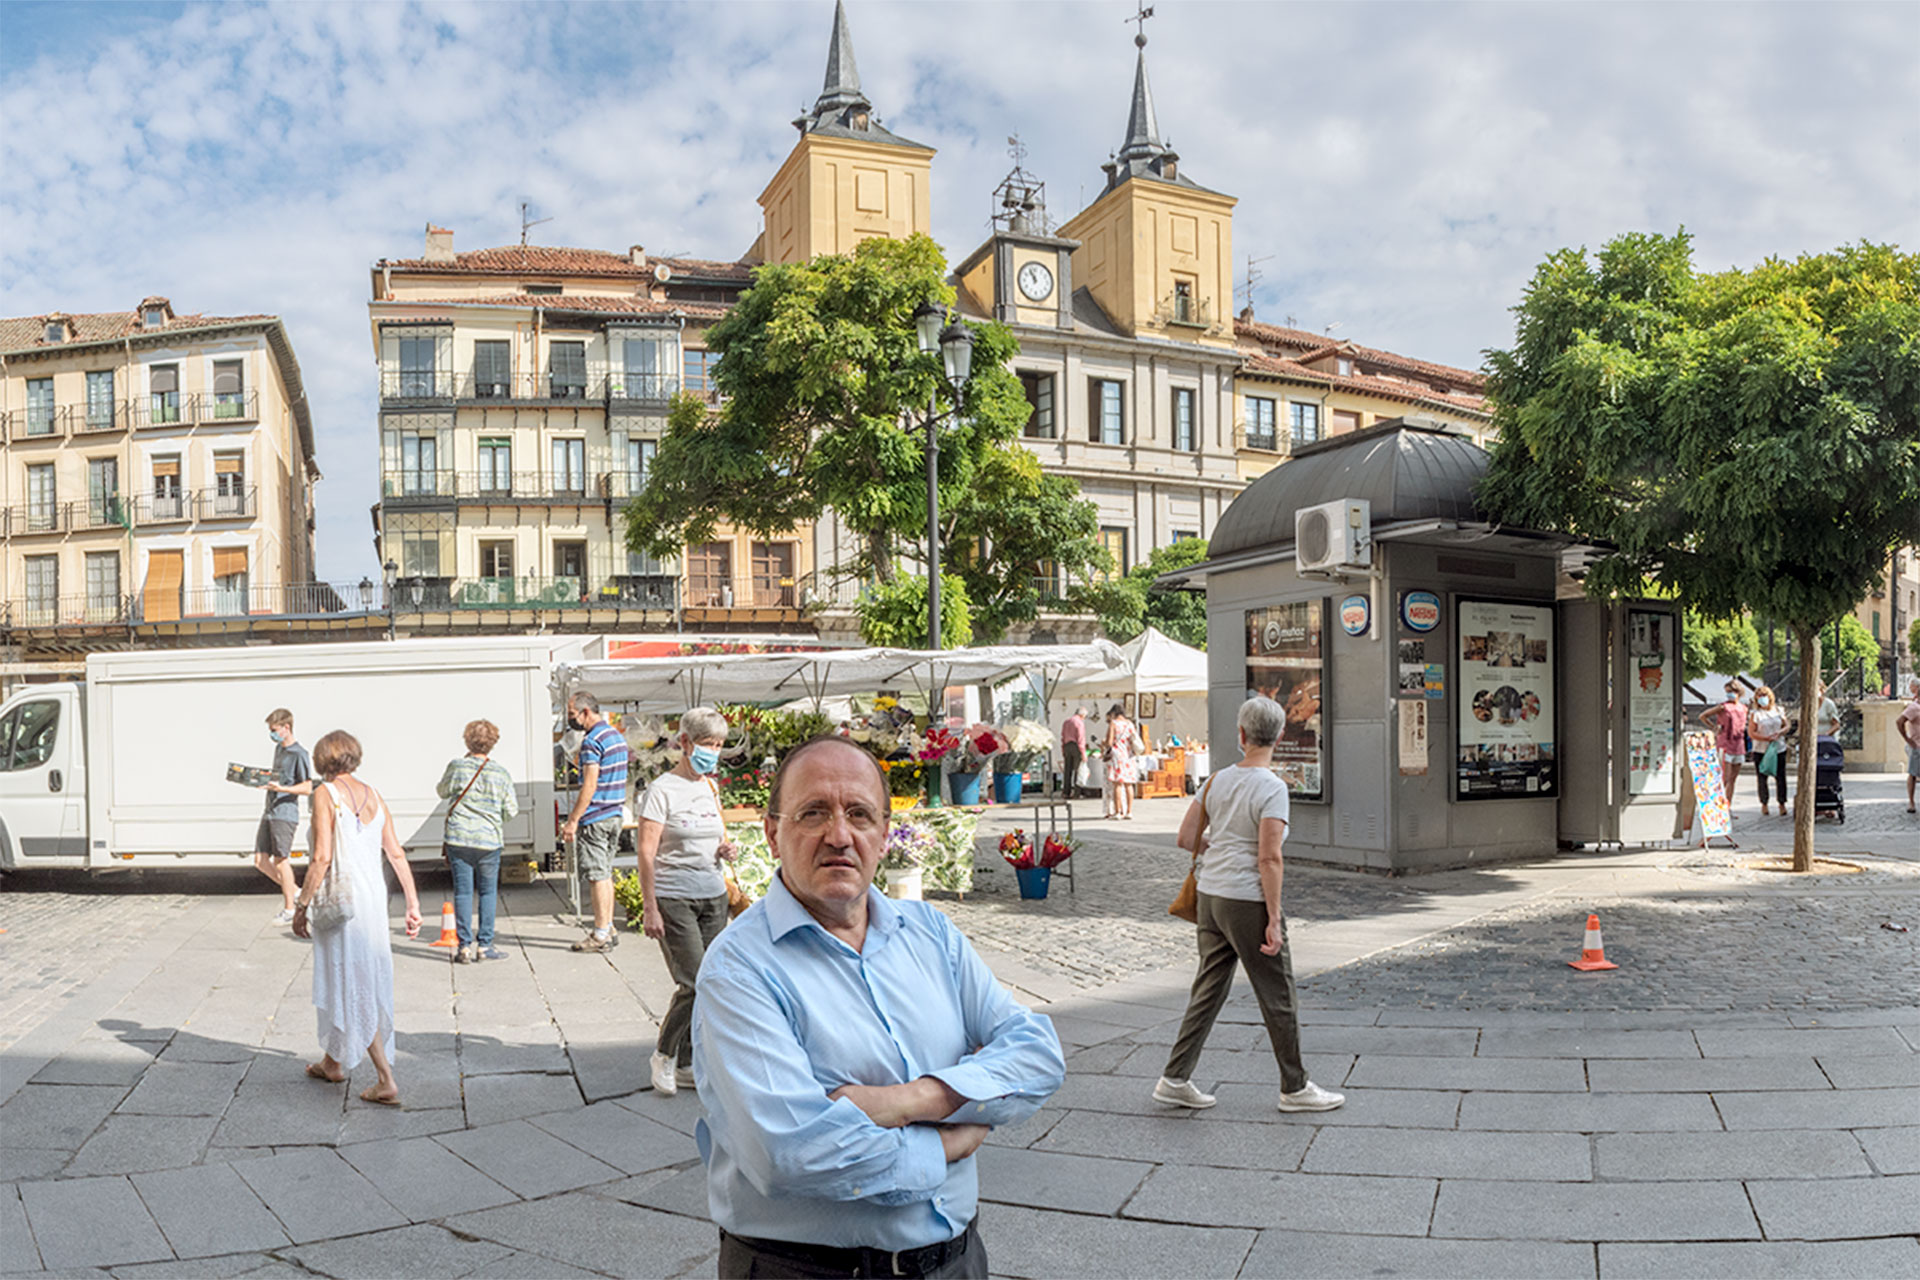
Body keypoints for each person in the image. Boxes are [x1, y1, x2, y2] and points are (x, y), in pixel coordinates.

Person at [693, 736, 1065, 1279]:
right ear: (772, 832)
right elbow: (789, 1152)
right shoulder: (739, 969)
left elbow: (1038, 1055)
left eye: (860, 815)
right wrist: (951, 1141)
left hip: (957, 1262)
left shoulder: (931, 933)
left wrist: (911, 1100)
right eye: (813, 813)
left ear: (885, 835)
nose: (839, 835)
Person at [1154, 696, 1345, 1115]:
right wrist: (1273, 918)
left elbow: (1186, 839)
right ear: (1279, 736)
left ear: (1241, 736)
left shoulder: (1216, 780)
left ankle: (1175, 1077)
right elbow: (1269, 858)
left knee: (1207, 988)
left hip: (1211, 896)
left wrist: (1217, 846)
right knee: (1278, 994)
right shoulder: (1272, 787)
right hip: (1246, 899)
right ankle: (1295, 1088)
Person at [292, 730, 423, 1105]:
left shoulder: (324, 793)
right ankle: (332, 1062)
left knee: (353, 981)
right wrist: (413, 903)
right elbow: (396, 854)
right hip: (372, 901)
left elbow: (321, 857)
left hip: (342, 902)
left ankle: (385, 1078)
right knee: (356, 975)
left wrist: (301, 905)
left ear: (322, 760)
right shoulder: (375, 794)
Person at [637, 707, 737, 1097]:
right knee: (694, 981)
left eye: (719, 745)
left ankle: (689, 1061)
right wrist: (650, 906)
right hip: (674, 895)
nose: (714, 751)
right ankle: (664, 1053)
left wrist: (723, 848)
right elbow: (647, 852)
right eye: (708, 744)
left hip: (713, 895)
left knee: (712, 983)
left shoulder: (709, 787)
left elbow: (711, 834)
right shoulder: (662, 790)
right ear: (685, 743)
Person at [436, 719, 519, 964]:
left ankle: (463, 947)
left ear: (467, 739)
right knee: (487, 892)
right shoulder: (500, 773)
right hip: (488, 841)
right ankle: (485, 945)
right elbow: (511, 810)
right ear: (492, 743)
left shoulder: (457, 766)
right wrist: (494, 818)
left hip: (459, 838)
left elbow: (442, 791)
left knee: (462, 892)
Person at [561, 691, 629, 953]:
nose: (571, 720)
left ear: (585, 712)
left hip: (596, 817)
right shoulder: (616, 736)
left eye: (572, 715)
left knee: (597, 876)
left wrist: (573, 820)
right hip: (614, 813)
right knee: (605, 873)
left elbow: (590, 784)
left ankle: (600, 934)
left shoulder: (592, 741)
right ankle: (608, 926)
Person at [256, 708, 314, 924]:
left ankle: (290, 909)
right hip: (270, 810)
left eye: (274, 730)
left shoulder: (299, 754)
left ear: (286, 727)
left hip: (285, 813)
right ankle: (295, 890)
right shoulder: (279, 750)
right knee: (260, 860)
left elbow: (307, 787)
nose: (271, 734)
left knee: (281, 860)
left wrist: (283, 789)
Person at [1700, 683, 1748, 813]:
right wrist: (1714, 727)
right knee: (1725, 778)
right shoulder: (1723, 707)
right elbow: (1703, 716)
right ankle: (1718, 804)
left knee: (1733, 778)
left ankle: (1728, 806)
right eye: (1728, 691)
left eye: (1732, 691)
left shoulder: (1744, 708)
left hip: (1739, 744)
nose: (1730, 694)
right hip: (1725, 744)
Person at [1747, 685, 1789, 816]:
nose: (1761, 698)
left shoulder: (1778, 710)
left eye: (1764, 695)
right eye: (1759, 696)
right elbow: (1751, 732)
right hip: (1761, 749)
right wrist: (1765, 738)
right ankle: (1764, 803)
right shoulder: (1755, 714)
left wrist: (1780, 732)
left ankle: (1782, 803)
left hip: (1778, 748)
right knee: (1762, 777)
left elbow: (1787, 725)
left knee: (1781, 777)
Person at [1104, 702, 1140, 820]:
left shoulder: (1113, 724)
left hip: (1118, 755)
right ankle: (1129, 811)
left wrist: (1109, 744)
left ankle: (1118, 811)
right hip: (1129, 756)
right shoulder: (1130, 724)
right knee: (1129, 784)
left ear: (1114, 713)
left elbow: (1109, 742)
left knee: (1117, 784)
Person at [1898, 675, 1920, 814]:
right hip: (1917, 746)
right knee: (1912, 774)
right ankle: (1911, 802)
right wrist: (1907, 739)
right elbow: (1899, 721)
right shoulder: (1914, 707)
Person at [1060, 708, 1087, 799]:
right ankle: (1077, 793)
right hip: (1076, 746)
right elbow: (1080, 738)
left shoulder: (1066, 722)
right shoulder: (1079, 723)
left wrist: (1063, 749)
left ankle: (1066, 792)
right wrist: (1083, 753)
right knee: (1078, 769)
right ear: (1082, 715)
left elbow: (1063, 736)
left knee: (1067, 770)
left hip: (1067, 746)